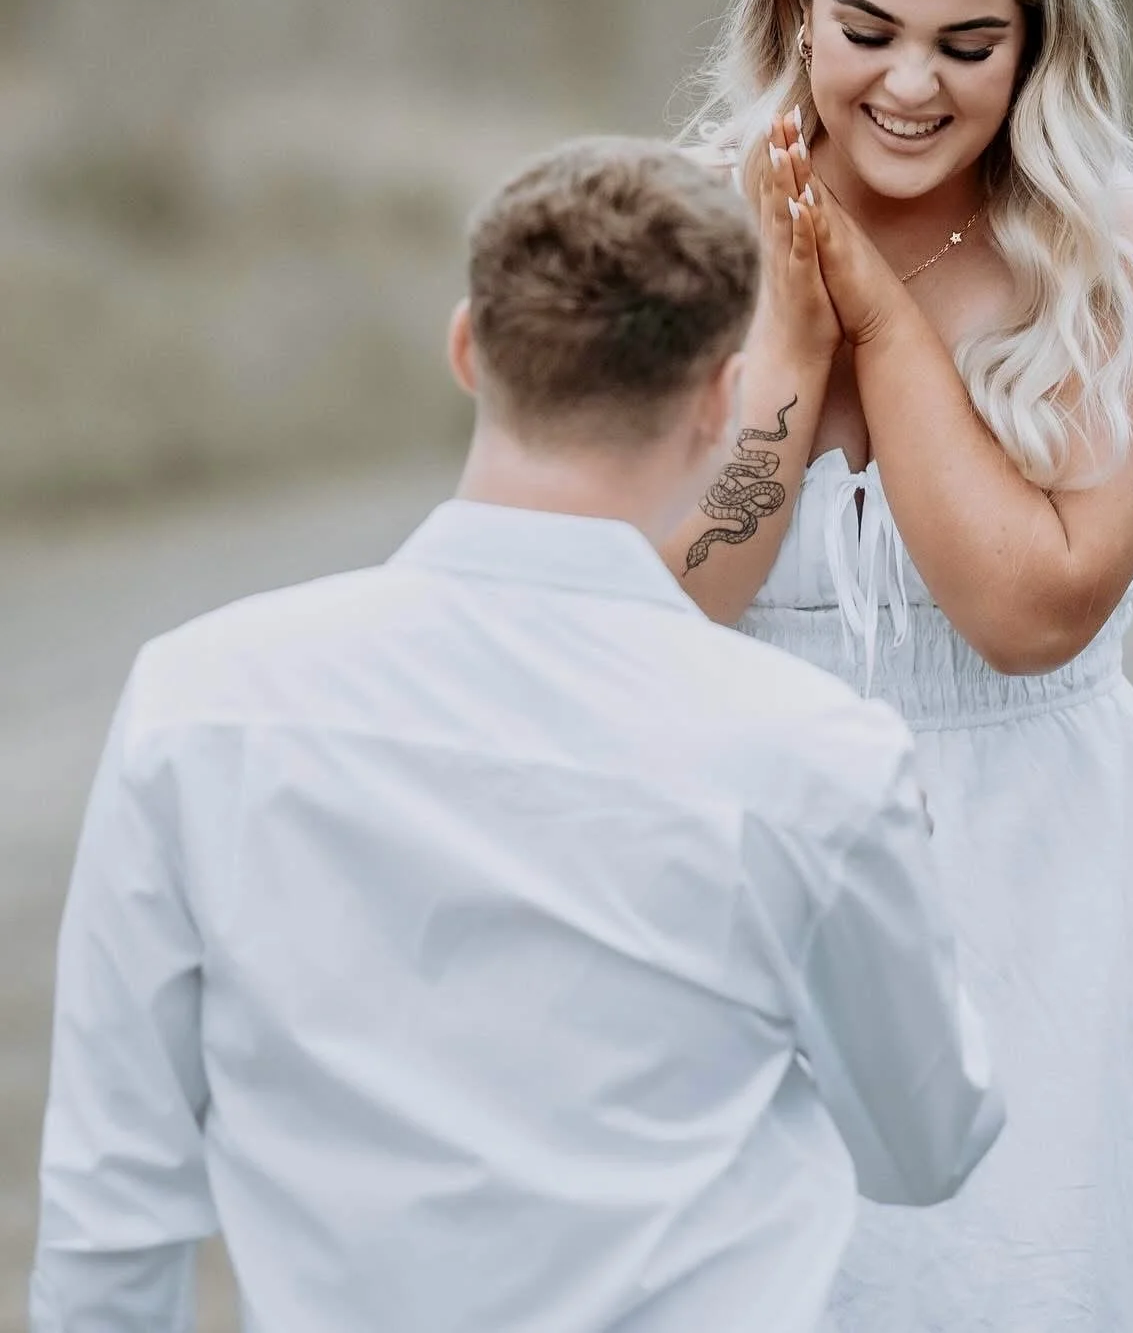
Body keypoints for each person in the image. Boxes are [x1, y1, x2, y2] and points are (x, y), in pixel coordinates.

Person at [30, 138, 1001, 1333]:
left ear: (465, 348)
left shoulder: (195, 699)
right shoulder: (815, 755)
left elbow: (112, 1212)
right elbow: (925, 1149)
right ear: (720, 396)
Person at [669, 0, 1133, 1333]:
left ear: (1037, 43)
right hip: (757, 873)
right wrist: (788, 354)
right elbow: (673, 603)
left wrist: (872, 311)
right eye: (869, 28)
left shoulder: (1120, 254)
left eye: (970, 43)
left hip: (1045, 888)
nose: (913, 84)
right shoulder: (693, 227)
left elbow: (1026, 607)